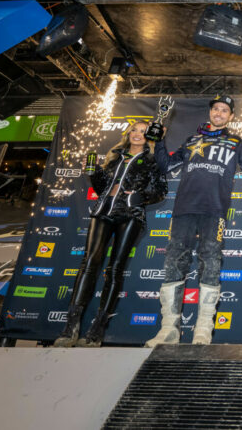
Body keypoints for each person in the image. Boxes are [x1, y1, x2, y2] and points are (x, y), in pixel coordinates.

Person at [145, 95, 242, 346]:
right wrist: (157, 141)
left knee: (210, 263)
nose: (219, 113)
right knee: (174, 262)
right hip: (184, 209)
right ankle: (169, 327)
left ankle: (203, 328)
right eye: (216, 109)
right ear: (210, 112)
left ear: (231, 116)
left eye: (224, 110)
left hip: (215, 210)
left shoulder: (235, 141)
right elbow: (166, 166)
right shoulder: (192, 139)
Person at [53, 121, 167, 347]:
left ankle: (97, 330)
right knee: (89, 263)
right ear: (128, 133)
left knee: (115, 269)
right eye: (134, 129)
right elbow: (102, 187)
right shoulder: (115, 156)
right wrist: (94, 173)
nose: (137, 134)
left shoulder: (153, 161)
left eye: (143, 132)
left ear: (149, 137)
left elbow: (160, 191)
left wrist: (140, 196)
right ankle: (71, 327)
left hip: (130, 215)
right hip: (102, 211)